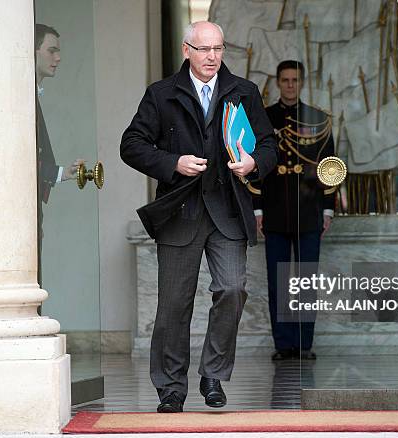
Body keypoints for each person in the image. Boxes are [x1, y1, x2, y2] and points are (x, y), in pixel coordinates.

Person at [120, 21, 277, 413]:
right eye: (204, 49)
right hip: (181, 210)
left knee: (233, 289)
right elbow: (132, 145)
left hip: (227, 210)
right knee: (174, 303)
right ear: (186, 50)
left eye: (219, 49)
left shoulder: (244, 92)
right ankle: (171, 387)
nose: (212, 57)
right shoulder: (161, 94)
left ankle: (213, 373)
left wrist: (253, 162)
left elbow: (270, 145)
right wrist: (174, 162)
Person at [254, 60, 335, 361]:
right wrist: (256, 209)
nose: (290, 85)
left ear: (302, 82)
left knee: (305, 280)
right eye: (285, 80)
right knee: (279, 281)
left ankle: (303, 344)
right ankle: (283, 344)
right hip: (274, 209)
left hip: (309, 207)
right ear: (277, 82)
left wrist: (328, 208)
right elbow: (255, 168)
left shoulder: (317, 119)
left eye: (295, 80)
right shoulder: (263, 118)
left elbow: (330, 167)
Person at [35, 24, 85, 282]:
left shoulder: (31, 96)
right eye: (51, 50)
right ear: (32, 52)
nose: (58, 58)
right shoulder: (21, 99)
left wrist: (62, 173)